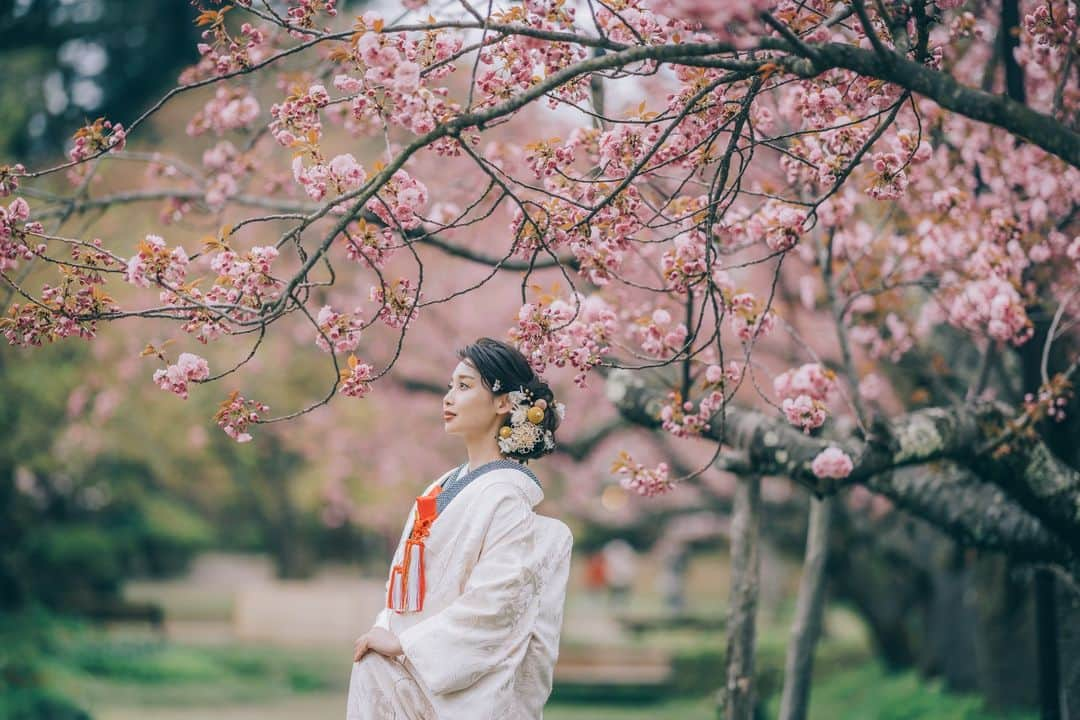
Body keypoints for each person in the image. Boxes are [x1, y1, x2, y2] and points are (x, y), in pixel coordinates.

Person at [346, 337, 574, 720]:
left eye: (465, 386)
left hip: (450, 686)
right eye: (450, 386)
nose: (448, 397)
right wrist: (386, 632)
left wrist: (405, 645)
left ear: (504, 403)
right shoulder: (442, 485)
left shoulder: (506, 497)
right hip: (409, 663)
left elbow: (496, 604)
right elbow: (403, 581)